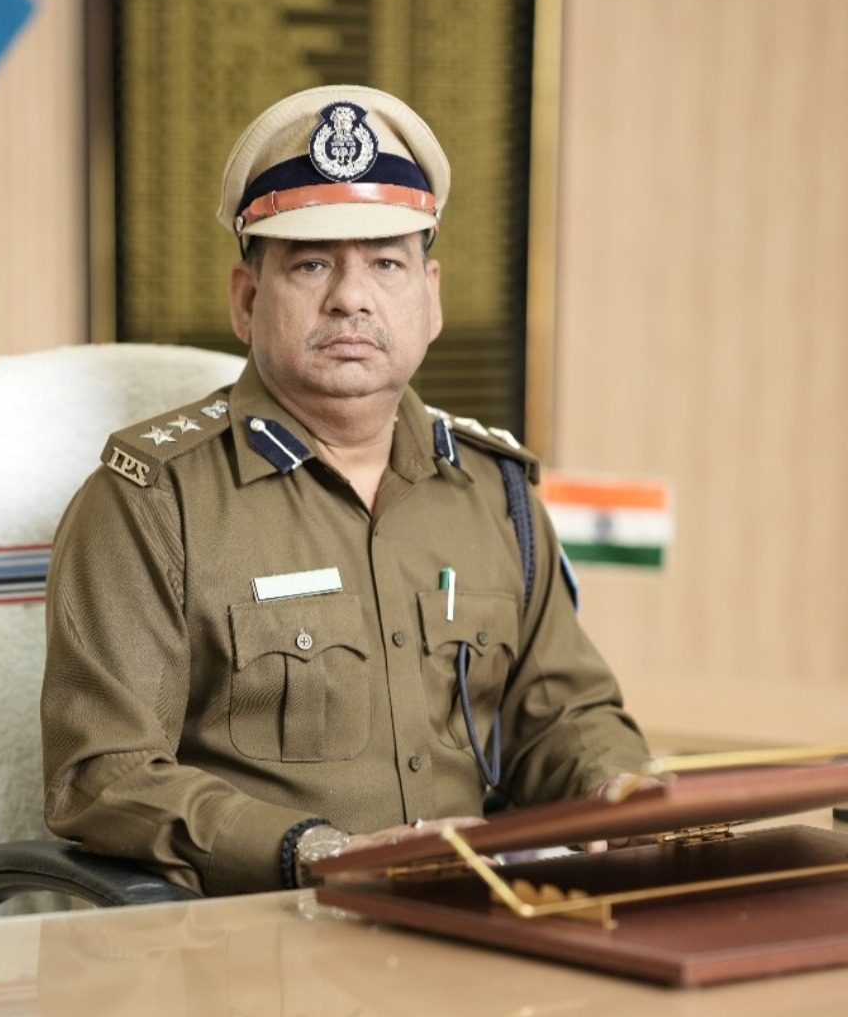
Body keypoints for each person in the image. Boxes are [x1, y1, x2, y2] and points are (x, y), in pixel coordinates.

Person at [40, 85, 652, 897]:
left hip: (478, 919)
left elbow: (562, 717)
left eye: (387, 264)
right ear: (247, 300)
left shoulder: (494, 494)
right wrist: (316, 851)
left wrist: (615, 786)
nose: (352, 297)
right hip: (262, 933)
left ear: (431, 297)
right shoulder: (152, 503)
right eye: (312, 264)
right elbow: (103, 774)